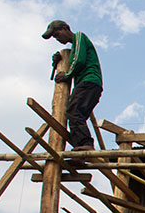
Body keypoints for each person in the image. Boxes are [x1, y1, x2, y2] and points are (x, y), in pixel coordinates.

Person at [42, 20, 103, 152]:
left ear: (65, 28)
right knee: (76, 116)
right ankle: (81, 149)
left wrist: (66, 75)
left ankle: (86, 144)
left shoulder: (79, 37)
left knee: (73, 112)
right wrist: (59, 61)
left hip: (89, 81)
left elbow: (79, 61)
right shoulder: (74, 48)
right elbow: (74, 59)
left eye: (57, 34)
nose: (57, 39)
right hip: (90, 84)